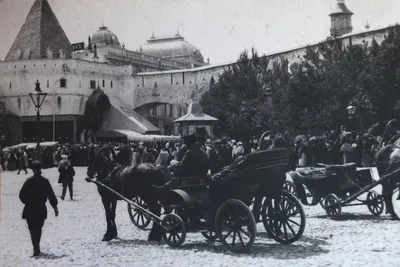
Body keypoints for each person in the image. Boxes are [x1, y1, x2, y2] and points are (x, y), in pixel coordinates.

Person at [19, 161, 58, 257]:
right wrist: (55, 207)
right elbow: (51, 195)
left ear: (32, 170)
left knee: (32, 228)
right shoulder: (45, 181)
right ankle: (36, 246)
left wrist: (27, 202)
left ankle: (35, 247)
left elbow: (21, 195)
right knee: (38, 228)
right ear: (40, 169)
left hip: (30, 208)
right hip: (41, 208)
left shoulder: (29, 181)